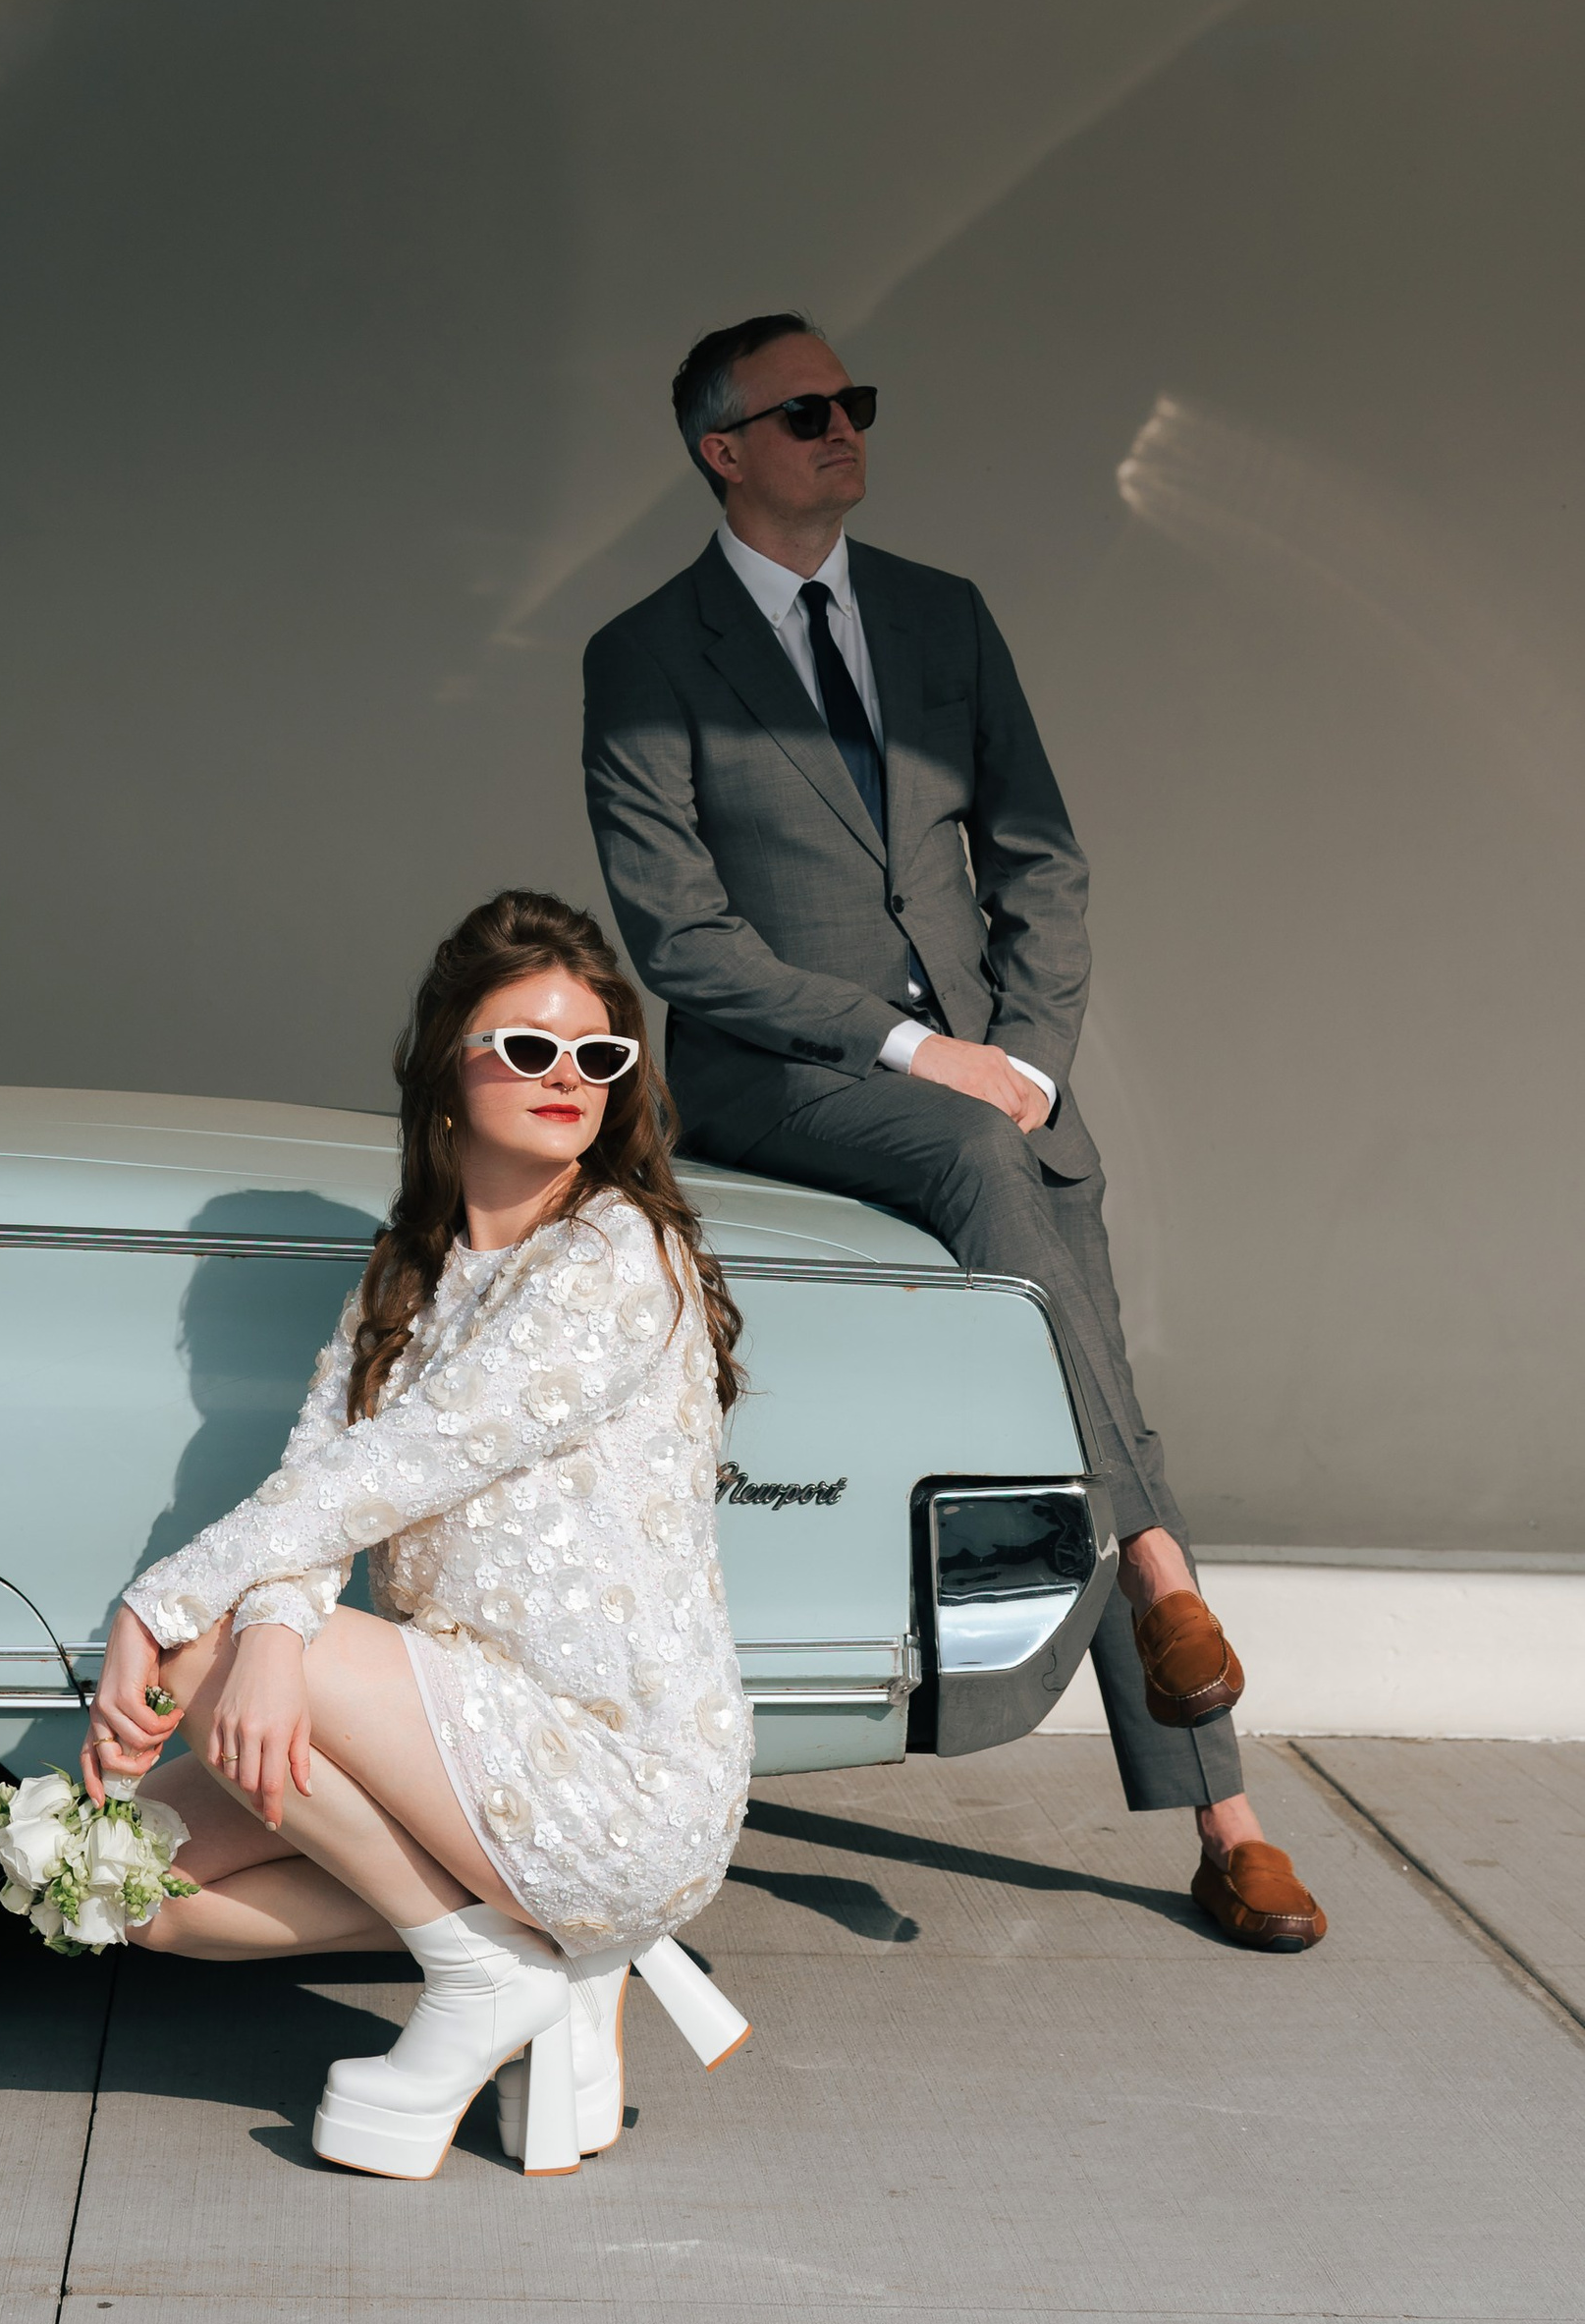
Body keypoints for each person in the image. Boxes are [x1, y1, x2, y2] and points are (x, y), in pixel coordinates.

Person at [580, 312, 1327, 1955]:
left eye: (854, 401)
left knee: (1071, 1325)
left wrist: (1032, 1061)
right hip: (788, 1074)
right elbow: (683, 941)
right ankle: (1166, 1598)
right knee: (1018, 1213)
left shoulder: (942, 615)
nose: (844, 426)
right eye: (805, 413)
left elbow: (1042, 857)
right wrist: (927, 1056)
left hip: (996, 1091)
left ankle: (1228, 1822)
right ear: (723, 451)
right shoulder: (645, 655)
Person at [85, 889, 755, 2180]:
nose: (568, 1077)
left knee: (196, 1655)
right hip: (460, 1737)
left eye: (599, 1055)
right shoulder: (406, 1272)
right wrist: (273, 1633)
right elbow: (324, 1484)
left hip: (619, 1771)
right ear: (449, 1068)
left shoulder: (617, 1254)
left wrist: (167, 1608)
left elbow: (406, 1462)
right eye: (530, 1047)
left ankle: (477, 1970)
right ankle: (510, 1954)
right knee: (126, 1880)